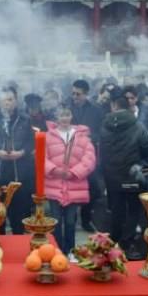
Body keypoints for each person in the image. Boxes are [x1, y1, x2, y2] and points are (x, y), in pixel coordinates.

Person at [100, 89, 148, 260]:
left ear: (113, 106)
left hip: (112, 176)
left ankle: (114, 240)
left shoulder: (104, 125)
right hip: (132, 175)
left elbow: (102, 150)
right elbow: (147, 147)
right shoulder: (137, 125)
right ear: (128, 106)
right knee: (133, 210)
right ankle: (127, 242)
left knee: (116, 209)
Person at [43, 106, 96, 256]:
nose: (64, 118)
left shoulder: (82, 137)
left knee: (71, 221)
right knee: (56, 221)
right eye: (61, 115)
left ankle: (71, 250)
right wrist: (54, 170)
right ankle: (58, 250)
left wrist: (74, 172)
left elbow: (90, 159)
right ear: (56, 117)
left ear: (71, 116)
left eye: (67, 115)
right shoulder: (48, 136)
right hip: (54, 185)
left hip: (74, 185)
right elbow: (42, 158)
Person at [0, 88, 33, 234]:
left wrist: (20, 153)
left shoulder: (25, 119)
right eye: (4, 100)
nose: (7, 103)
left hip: (18, 174)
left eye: (10, 99)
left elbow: (30, 143)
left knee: (19, 217)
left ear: (16, 101)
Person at [70, 79, 106, 233]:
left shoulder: (96, 110)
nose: (74, 97)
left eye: (78, 94)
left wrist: (92, 136)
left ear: (86, 94)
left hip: (88, 155)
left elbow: (102, 131)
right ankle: (71, 220)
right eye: (73, 93)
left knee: (92, 188)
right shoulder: (67, 107)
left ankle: (86, 218)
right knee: (71, 188)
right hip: (70, 154)